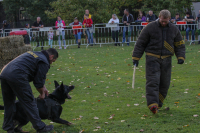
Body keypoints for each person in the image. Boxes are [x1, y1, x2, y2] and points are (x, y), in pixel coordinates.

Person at [132, 10, 185, 114]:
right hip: (152, 58)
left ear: (169, 19)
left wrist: (181, 57)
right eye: (162, 20)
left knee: (165, 83)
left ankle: (158, 103)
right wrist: (136, 58)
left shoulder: (174, 29)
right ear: (159, 17)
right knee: (153, 81)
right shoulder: (150, 27)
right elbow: (140, 43)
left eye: (166, 21)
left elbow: (179, 44)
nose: (164, 23)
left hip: (167, 59)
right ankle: (152, 105)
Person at [0, 48, 58, 133]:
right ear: (51, 56)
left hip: (4, 73)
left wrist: (43, 87)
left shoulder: (33, 53)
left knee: (9, 103)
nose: (51, 63)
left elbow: (38, 78)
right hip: (18, 75)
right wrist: (42, 93)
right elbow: (38, 83)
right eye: (53, 61)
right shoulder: (44, 61)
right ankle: (41, 128)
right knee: (29, 102)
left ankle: (9, 128)